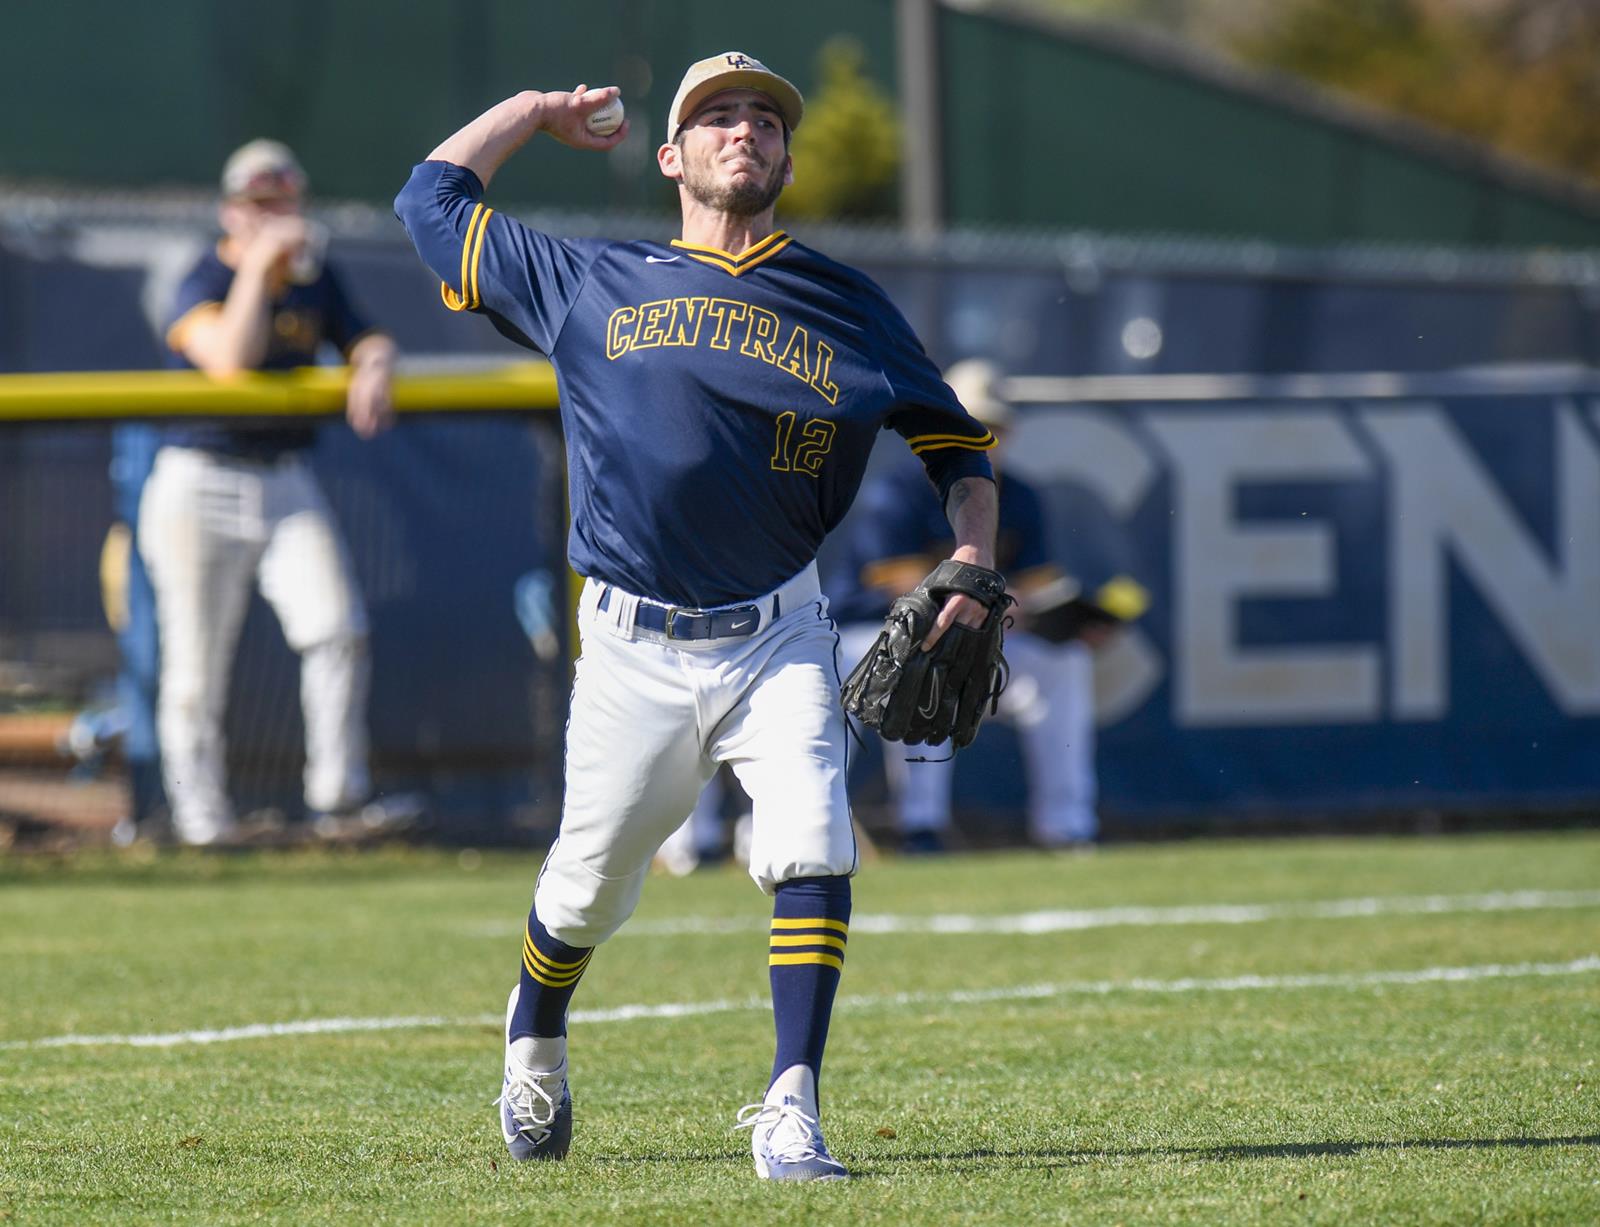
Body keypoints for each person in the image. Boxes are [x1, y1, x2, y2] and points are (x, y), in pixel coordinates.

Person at [394, 53, 1000, 1181]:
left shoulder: (849, 305)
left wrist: (972, 556)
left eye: (765, 119)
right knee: (586, 890)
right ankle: (534, 1035)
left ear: (785, 161)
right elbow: (429, 201)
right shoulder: (593, 278)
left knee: (813, 838)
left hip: (779, 631)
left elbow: (956, 446)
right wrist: (535, 111)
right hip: (632, 645)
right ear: (671, 156)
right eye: (717, 117)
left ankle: (791, 1106)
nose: (744, 131)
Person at [140, 139, 412, 847]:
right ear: (231, 212)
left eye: (285, 202)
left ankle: (337, 797)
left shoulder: (316, 277)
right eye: (259, 204)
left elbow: (368, 337)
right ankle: (202, 820)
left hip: (283, 474)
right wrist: (258, 269)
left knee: (337, 627)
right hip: (199, 477)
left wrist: (373, 362)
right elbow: (231, 360)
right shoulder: (203, 272)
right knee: (195, 664)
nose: (275, 216)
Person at [827, 359, 1136, 852]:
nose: (982, 438)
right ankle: (920, 825)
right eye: (970, 425)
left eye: (992, 427)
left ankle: (1067, 826)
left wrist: (1066, 620)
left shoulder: (1021, 495)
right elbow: (902, 589)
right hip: (867, 641)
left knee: (1064, 661)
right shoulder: (900, 491)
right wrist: (997, 604)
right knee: (923, 651)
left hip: (979, 634)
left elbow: (1034, 589)